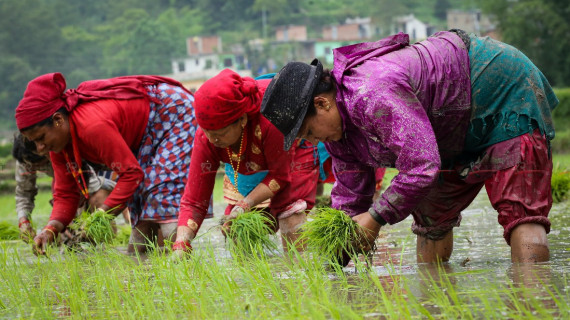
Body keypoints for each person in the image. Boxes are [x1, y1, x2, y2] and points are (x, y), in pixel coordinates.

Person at [260, 29, 558, 263]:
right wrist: (337, 257)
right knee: (430, 219)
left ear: (322, 103)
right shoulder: (340, 138)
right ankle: (436, 306)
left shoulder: (370, 93)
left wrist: (375, 219)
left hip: (498, 89)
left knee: (520, 211)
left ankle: (536, 301)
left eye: (309, 132)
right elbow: (351, 199)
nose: (312, 143)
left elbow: (421, 166)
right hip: (445, 129)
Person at [15, 72, 197, 255]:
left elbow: (131, 175)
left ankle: (183, 267)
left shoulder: (91, 127)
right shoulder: (58, 146)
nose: (40, 148)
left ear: (58, 120)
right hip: (143, 133)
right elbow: (65, 194)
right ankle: (153, 275)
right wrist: (50, 229)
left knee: (162, 195)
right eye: (34, 142)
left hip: (171, 111)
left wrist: (100, 214)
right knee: (139, 228)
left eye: (41, 138)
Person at [173, 69, 318, 255]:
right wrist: (181, 244)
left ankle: (300, 273)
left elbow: (280, 175)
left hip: (292, 152)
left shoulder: (270, 119)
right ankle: (253, 279)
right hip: (250, 165)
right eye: (207, 132)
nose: (212, 139)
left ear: (241, 120)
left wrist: (244, 205)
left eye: (219, 134)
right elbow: (194, 199)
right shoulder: (207, 136)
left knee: (289, 212)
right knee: (235, 227)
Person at [12, 133, 120, 242]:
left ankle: (108, 243)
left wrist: (72, 218)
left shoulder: (63, 148)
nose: (38, 168)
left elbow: (89, 186)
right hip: (64, 190)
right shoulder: (24, 158)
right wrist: (23, 221)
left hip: (95, 185)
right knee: (57, 236)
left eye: (42, 164)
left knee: (97, 202)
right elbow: (23, 193)